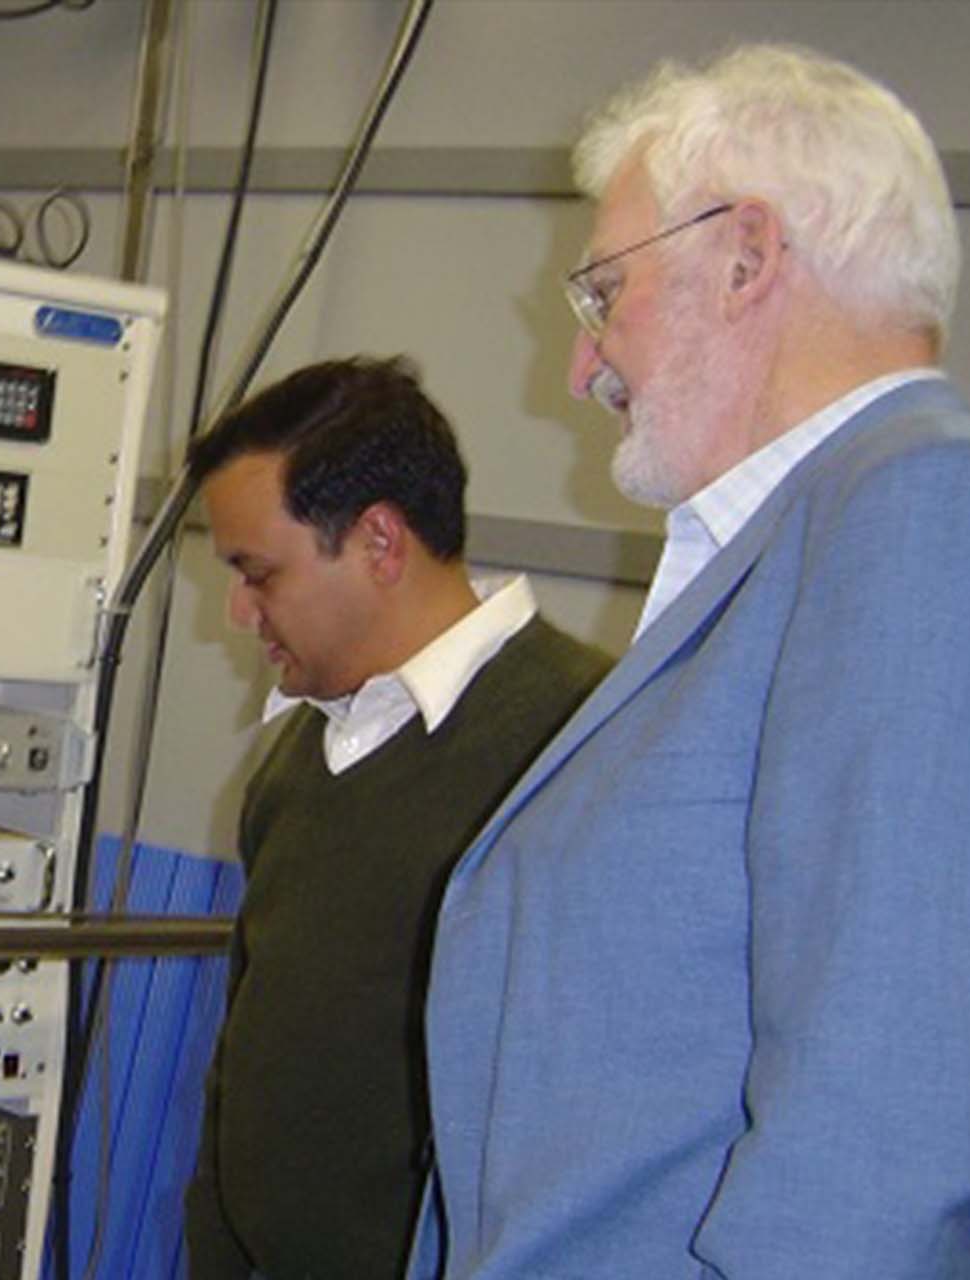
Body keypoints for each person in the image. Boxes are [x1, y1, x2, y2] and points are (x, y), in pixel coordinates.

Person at [412, 44, 970, 1279]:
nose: (580, 365)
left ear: (746, 256)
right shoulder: (799, 543)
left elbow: (906, 1137)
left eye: (603, 294)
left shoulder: (930, 509)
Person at [179, 357, 611, 1280]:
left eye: (258, 573)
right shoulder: (303, 757)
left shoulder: (582, 747)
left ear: (379, 541)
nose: (237, 610)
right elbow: (244, 1059)